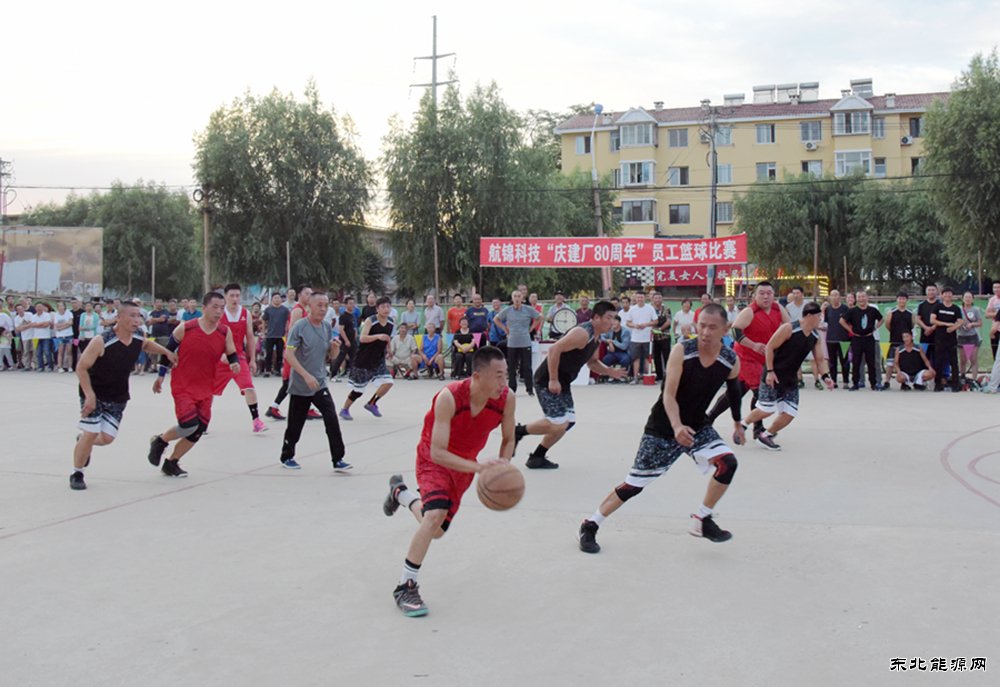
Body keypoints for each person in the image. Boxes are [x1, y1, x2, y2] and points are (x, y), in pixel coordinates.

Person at [577, 303, 744, 554]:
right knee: (634, 485)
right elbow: (668, 394)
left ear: (726, 328)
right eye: (702, 326)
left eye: (712, 327)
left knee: (728, 463)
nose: (705, 332)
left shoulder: (730, 359)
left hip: (697, 426)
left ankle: (702, 518)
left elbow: (734, 391)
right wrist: (676, 426)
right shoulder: (682, 350)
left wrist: (737, 422)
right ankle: (590, 524)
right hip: (663, 426)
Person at [382, 346, 515, 617]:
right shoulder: (450, 397)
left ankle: (402, 494)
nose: (504, 382)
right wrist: (480, 468)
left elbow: (509, 437)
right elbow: (438, 453)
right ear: (477, 376)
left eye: (507, 375)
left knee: (437, 530)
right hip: (434, 460)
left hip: (464, 468)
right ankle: (406, 586)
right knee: (434, 516)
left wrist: (503, 465)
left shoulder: (506, 398)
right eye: (498, 376)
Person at [71, 301, 176, 490]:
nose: (137, 320)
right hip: (94, 393)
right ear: (119, 317)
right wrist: (89, 395)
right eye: (132, 316)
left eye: (139, 316)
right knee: (91, 432)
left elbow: (145, 345)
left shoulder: (139, 335)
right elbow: (81, 368)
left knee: (106, 438)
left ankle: (83, 441)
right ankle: (77, 472)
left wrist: (166, 352)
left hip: (118, 395)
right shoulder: (102, 340)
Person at [514, 301, 626, 469]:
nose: (612, 322)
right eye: (608, 318)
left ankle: (537, 457)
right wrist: (553, 379)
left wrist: (609, 371)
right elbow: (554, 349)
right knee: (558, 422)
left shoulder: (597, 337)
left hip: (563, 381)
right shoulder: (582, 333)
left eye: (614, 318)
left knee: (568, 422)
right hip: (547, 379)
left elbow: (592, 362)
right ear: (596, 318)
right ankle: (518, 431)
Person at [148, 292, 241, 478]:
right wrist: (160, 376)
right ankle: (161, 441)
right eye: (215, 307)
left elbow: (231, 352)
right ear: (204, 308)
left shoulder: (224, 332)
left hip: (206, 386)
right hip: (183, 385)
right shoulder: (186, 328)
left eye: (222, 308)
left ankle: (171, 462)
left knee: (199, 430)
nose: (219, 311)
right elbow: (168, 352)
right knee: (188, 424)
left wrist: (234, 363)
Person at [741, 302, 834, 451]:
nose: (821, 320)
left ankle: (766, 435)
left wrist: (825, 377)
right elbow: (769, 347)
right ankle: (743, 424)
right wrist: (770, 371)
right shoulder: (789, 328)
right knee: (766, 409)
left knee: (790, 412)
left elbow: (820, 359)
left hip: (790, 378)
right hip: (774, 374)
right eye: (819, 316)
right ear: (809, 316)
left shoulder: (815, 336)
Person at [278, 291, 351, 472]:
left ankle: (338, 458)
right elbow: (289, 354)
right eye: (319, 305)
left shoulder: (326, 327)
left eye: (326, 305)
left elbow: (331, 356)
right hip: (301, 384)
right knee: (295, 424)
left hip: (319, 382)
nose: (323, 309)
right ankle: (287, 456)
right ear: (309, 306)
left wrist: (335, 349)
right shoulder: (299, 327)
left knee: (331, 417)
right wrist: (306, 375)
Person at [705, 281, 788, 437]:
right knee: (760, 392)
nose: (766, 296)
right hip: (746, 357)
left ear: (773, 295)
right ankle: (758, 428)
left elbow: (789, 327)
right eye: (761, 293)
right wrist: (753, 345)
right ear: (754, 296)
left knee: (736, 392)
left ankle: (708, 418)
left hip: (763, 358)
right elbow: (735, 331)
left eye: (769, 293)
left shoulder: (778, 309)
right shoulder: (750, 311)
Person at [212, 283, 267, 433]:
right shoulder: (219, 314)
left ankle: (256, 420)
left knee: (249, 386)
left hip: (238, 357)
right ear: (225, 297)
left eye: (237, 295)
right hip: (220, 358)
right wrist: (219, 354)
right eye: (232, 296)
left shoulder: (245, 313)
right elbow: (212, 336)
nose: (235, 299)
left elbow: (250, 337)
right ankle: (202, 420)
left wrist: (252, 359)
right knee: (209, 391)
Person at [268, 286, 322, 421]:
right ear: (299, 295)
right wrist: (292, 350)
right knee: (291, 381)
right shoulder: (298, 310)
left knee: (298, 381)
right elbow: (293, 331)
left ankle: (278, 407)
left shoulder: (307, 310)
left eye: (311, 293)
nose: (309, 296)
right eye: (307, 293)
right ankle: (274, 407)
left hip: (302, 352)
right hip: (295, 352)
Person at [341, 296, 395, 420]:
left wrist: (389, 349)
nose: (386, 309)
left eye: (388, 307)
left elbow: (387, 337)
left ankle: (372, 403)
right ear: (377, 309)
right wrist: (377, 336)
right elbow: (362, 338)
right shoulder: (371, 320)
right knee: (358, 390)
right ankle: (345, 409)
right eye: (383, 307)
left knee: (388, 382)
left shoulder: (391, 321)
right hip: (364, 360)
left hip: (378, 359)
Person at [494, 290, 542, 395]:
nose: (517, 298)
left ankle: (529, 388)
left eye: (519, 296)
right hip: (512, 342)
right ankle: (512, 389)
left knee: (527, 366)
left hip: (525, 341)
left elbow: (540, 317)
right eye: (515, 296)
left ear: (522, 298)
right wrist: (504, 328)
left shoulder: (528, 309)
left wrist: (532, 328)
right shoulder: (508, 310)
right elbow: (496, 319)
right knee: (512, 367)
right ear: (512, 298)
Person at [841, 291, 883, 391]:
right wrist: (850, 330)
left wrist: (875, 328)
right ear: (856, 299)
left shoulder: (872, 310)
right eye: (859, 297)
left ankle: (873, 383)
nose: (861, 299)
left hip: (869, 338)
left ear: (867, 298)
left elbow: (882, 319)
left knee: (871, 362)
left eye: (863, 296)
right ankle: (856, 383)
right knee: (856, 362)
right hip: (857, 339)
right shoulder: (852, 311)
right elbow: (842, 321)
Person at [930, 287, 963, 392]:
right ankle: (938, 384)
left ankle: (955, 384)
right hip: (939, 338)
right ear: (942, 295)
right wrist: (946, 324)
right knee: (939, 361)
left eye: (950, 293)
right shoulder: (937, 306)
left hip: (952, 339)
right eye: (946, 293)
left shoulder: (956, 308)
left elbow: (960, 321)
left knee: (954, 362)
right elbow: (932, 320)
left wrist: (953, 328)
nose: (948, 295)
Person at [882, 292, 914, 390]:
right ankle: (887, 381)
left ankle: (904, 383)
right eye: (900, 298)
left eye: (903, 299)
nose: (901, 300)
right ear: (897, 300)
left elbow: (912, 325)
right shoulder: (892, 312)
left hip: (906, 343)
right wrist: (894, 333)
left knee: (904, 363)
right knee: (890, 363)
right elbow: (887, 325)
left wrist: (907, 337)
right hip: (894, 341)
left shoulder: (911, 312)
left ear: (907, 300)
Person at [625, 291, 657, 383]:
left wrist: (646, 324)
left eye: (641, 297)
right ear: (635, 298)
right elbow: (628, 322)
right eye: (638, 297)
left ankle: (648, 376)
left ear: (645, 298)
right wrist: (635, 325)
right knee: (636, 358)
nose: (640, 299)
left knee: (648, 358)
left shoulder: (650, 308)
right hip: (635, 338)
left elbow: (655, 321)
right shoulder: (632, 309)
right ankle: (635, 377)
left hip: (647, 338)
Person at [822, 290, 850, 388]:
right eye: (832, 295)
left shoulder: (845, 308)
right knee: (832, 362)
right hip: (830, 339)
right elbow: (825, 322)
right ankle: (833, 381)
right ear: (830, 297)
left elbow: (849, 322)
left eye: (836, 295)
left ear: (840, 297)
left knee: (844, 362)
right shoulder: (828, 309)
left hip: (844, 340)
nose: (834, 297)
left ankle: (846, 381)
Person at [957, 291, 982, 384]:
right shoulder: (958, 309)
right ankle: (962, 377)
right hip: (961, 336)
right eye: (966, 297)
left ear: (973, 299)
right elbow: (955, 321)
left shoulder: (976, 310)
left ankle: (974, 379)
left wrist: (972, 324)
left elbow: (980, 323)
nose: (967, 299)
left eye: (969, 297)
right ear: (962, 298)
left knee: (973, 359)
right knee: (962, 360)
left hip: (973, 337)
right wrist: (960, 324)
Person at [262, 292, 288, 377]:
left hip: (281, 335)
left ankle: (278, 370)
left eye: (278, 298)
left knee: (280, 353)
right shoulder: (268, 310)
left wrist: (286, 331)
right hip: (270, 335)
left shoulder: (285, 310)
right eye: (275, 298)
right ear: (272, 299)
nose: (277, 299)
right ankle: (268, 370)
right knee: (268, 353)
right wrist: (263, 332)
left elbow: (287, 321)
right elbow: (264, 320)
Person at [915, 285, 940, 368]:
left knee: (938, 359)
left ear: (937, 291)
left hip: (938, 337)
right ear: (926, 292)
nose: (931, 292)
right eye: (929, 290)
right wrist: (926, 328)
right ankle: (925, 374)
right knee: (924, 358)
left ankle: (939, 375)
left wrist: (932, 328)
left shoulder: (941, 305)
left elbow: (943, 319)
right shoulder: (921, 305)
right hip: (924, 336)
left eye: (933, 290)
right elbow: (918, 319)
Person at [650, 292, 672, 382]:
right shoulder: (650, 309)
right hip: (654, 337)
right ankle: (659, 375)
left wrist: (660, 329)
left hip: (665, 336)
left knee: (667, 356)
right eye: (656, 298)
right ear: (653, 299)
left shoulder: (666, 309)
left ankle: (668, 375)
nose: (657, 300)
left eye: (659, 298)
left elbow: (669, 321)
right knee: (656, 357)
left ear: (662, 299)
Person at [53, 302, 74, 372]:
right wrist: (66, 323)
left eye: (62, 306)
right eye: (59, 306)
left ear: (64, 306)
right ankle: (60, 367)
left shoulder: (69, 313)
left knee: (69, 351)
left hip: (69, 335)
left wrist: (61, 327)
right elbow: (56, 325)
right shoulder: (56, 314)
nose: (61, 307)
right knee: (60, 351)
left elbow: (70, 323)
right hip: (60, 336)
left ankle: (70, 367)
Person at [985, 281, 1000, 359]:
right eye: (995, 287)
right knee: (995, 353)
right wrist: (997, 314)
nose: (996, 289)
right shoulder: (992, 300)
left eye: (998, 287)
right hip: (995, 330)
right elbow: (987, 315)